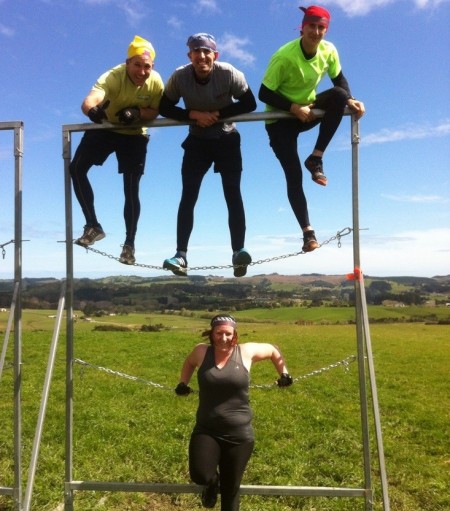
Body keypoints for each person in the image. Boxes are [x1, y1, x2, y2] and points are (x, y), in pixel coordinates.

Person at [259, 5, 365, 253]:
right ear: (302, 27)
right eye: (312, 26)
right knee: (293, 175)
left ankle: (316, 157)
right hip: (279, 120)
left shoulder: (328, 51)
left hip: (306, 111)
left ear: (325, 30)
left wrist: (351, 100)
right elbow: (263, 92)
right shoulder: (284, 56)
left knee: (339, 96)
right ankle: (308, 234)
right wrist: (293, 107)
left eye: (321, 28)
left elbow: (339, 80)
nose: (316, 32)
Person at [158, 33, 257, 278]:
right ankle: (180, 255)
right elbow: (164, 107)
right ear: (189, 55)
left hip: (227, 139)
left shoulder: (229, 73)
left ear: (215, 55)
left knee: (232, 194)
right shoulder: (180, 76)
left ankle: (238, 253)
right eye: (196, 51)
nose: (202, 56)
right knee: (188, 196)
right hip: (197, 142)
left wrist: (216, 113)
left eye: (206, 52)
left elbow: (249, 103)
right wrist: (194, 115)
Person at [175, 314, 293, 510]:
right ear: (211, 334)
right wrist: (182, 383)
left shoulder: (245, 352)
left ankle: (222, 488)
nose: (224, 338)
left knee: (231, 491)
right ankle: (212, 483)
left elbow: (273, 350)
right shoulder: (201, 352)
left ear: (234, 334)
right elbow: (188, 363)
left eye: (228, 334)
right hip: (206, 429)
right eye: (219, 333)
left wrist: (284, 373)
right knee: (200, 474)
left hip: (239, 434)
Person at [70, 35, 164, 265]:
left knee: (131, 188)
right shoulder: (113, 76)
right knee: (76, 169)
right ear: (127, 63)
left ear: (153, 66)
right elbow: (90, 99)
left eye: (147, 67)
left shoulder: (156, 82)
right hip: (107, 127)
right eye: (137, 65)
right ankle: (93, 225)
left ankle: (129, 244)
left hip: (134, 135)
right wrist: (93, 112)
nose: (142, 71)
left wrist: (138, 113)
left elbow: (155, 110)